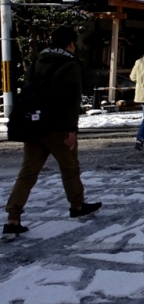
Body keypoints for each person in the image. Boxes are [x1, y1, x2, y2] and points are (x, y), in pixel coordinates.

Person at [4, 26, 102, 238]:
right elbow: (72, 99)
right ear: (70, 44)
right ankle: (77, 206)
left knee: (28, 172)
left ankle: (13, 218)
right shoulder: (70, 64)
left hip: (34, 124)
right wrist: (71, 129)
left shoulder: (39, 59)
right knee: (69, 168)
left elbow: (27, 88)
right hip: (57, 126)